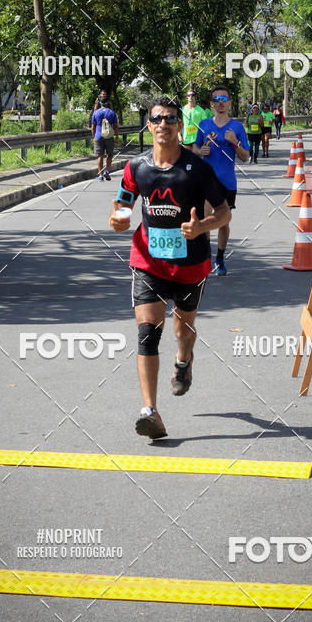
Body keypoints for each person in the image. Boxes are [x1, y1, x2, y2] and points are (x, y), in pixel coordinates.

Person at [108, 96, 230, 439]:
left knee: (183, 330)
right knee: (148, 333)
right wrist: (117, 218)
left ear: (180, 126)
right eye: (157, 119)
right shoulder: (136, 168)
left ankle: (184, 361)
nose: (163, 124)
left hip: (191, 265)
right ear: (149, 125)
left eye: (170, 119)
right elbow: (123, 203)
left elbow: (224, 213)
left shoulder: (197, 169)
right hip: (148, 262)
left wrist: (201, 227)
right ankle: (150, 410)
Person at [194, 85, 249, 275]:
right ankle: (206, 257)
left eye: (224, 99)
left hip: (227, 181)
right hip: (206, 180)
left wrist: (235, 142)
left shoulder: (237, 127)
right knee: (207, 219)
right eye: (216, 100)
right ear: (211, 104)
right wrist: (201, 151)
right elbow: (194, 148)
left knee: (223, 222)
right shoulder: (204, 125)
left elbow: (245, 157)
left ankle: (220, 257)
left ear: (229, 103)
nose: (220, 103)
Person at [91, 93, 119, 181]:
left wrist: (94, 137)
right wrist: (117, 136)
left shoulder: (95, 112)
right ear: (107, 103)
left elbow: (93, 127)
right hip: (109, 136)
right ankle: (107, 171)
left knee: (100, 156)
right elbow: (115, 126)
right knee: (109, 155)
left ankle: (100, 175)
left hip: (98, 135)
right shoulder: (112, 112)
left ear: (100, 103)